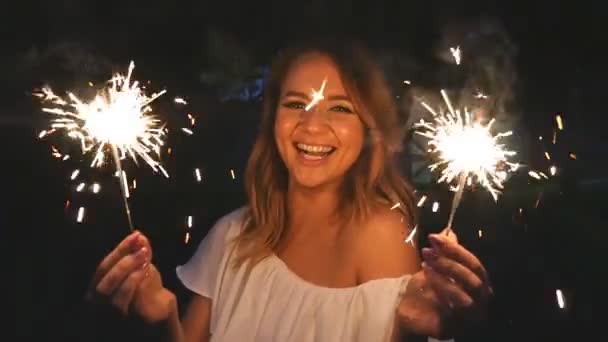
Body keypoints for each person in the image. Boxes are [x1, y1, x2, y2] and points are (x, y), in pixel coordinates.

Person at [88, 38, 493, 342]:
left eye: (340, 108)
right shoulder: (233, 236)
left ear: (369, 129)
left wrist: (424, 334)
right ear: (273, 118)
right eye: (296, 103)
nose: (312, 127)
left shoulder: (382, 234)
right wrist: (160, 321)